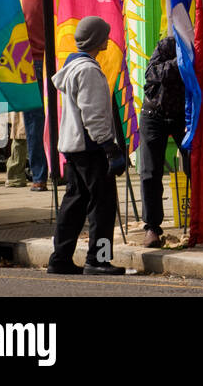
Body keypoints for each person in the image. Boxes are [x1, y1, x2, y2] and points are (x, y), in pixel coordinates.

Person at [47, 16, 127, 276]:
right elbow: (93, 114)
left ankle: (60, 258)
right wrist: (110, 147)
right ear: (96, 39)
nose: (107, 39)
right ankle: (99, 259)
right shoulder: (90, 71)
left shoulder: (72, 67)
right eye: (104, 35)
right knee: (103, 207)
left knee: (74, 203)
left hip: (73, 147)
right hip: (92, 148)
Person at [138, 36, 187, 248]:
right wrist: (183, 61)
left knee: (197, 164)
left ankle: (202, 220)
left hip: (183, 114)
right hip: (154, 112)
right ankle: (151, 227)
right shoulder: (168, 44)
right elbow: (151, 73)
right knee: (150, 171)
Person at [11, 0, 49, 191]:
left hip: (30, 66)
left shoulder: (19, 3)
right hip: (53, 65)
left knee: (34, 124)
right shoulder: (56, 1)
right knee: (59, 117)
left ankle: (39, 177)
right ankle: (61, 170)